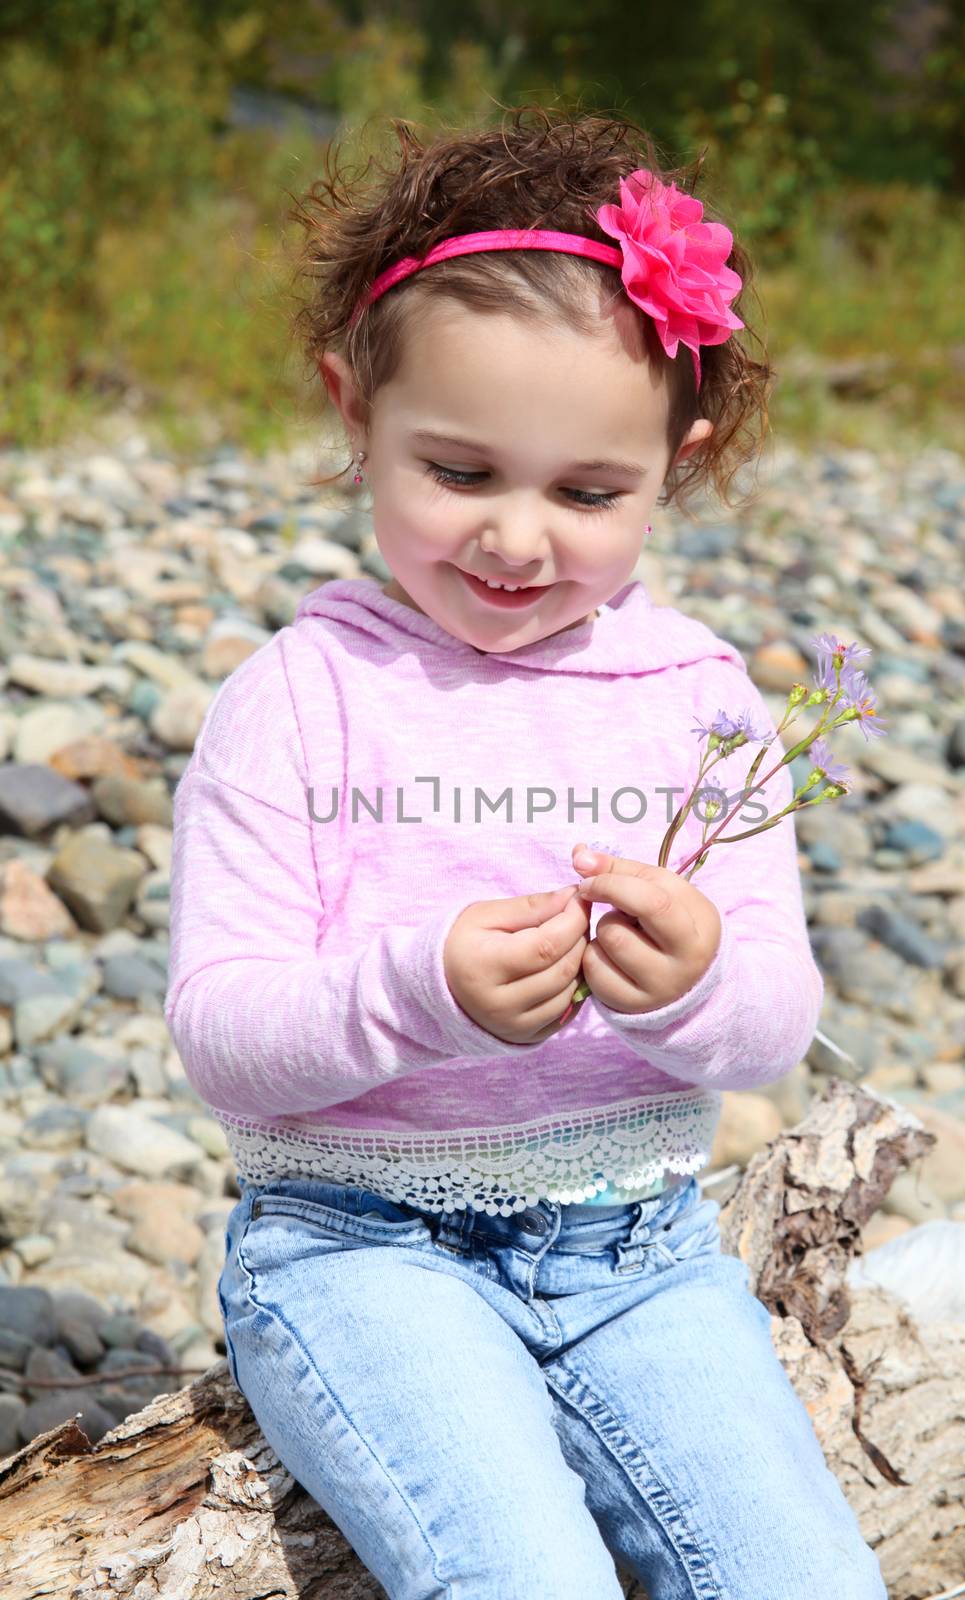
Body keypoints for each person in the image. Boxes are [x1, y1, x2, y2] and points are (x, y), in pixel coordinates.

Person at [164, 104, 888, 1600]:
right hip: (360, 1249)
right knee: (518, 1577)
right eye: (460, 470)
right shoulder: (297, 703)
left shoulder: (699, 700)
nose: (516, 538)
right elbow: (222, 1038)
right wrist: (419, 987)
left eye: (587, 493)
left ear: (671, 468)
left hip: (643, 1254)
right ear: (352, 411)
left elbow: (771, 1028)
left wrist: (689, 982)